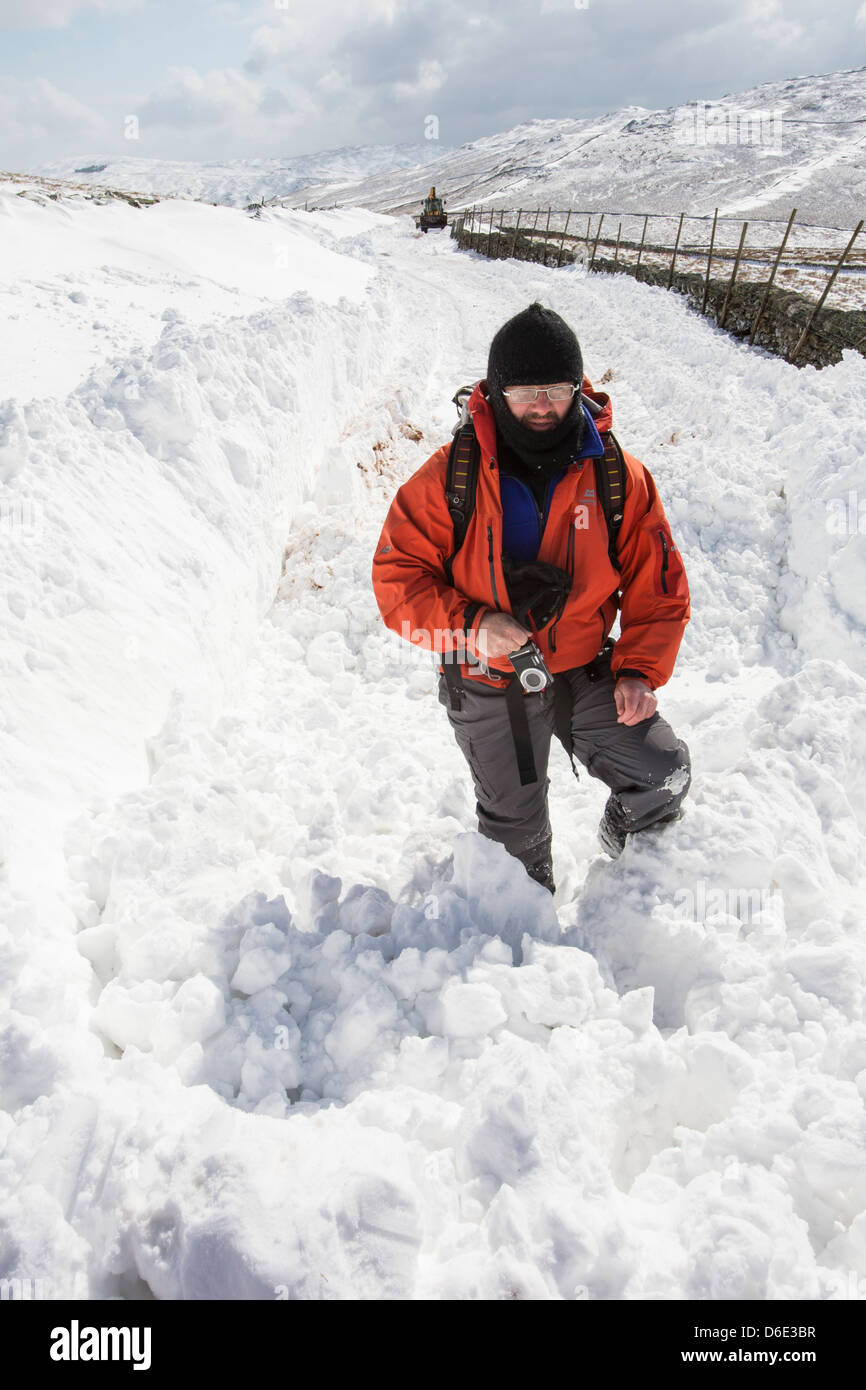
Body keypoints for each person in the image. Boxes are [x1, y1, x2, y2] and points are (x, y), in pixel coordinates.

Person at [371, 302, 691, 893]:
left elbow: (659, 588)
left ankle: (632, 879)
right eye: (524, 391)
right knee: (515, 847)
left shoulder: (619, 477)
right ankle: (530, 951)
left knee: (662, 775)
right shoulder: (450, 477)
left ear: (578, 389)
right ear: (496, 393)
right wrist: (470, 625)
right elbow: (396, 583)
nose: (541, 406)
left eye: (556, 389)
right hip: (492, 677)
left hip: (582, 668)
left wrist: (641, 671)